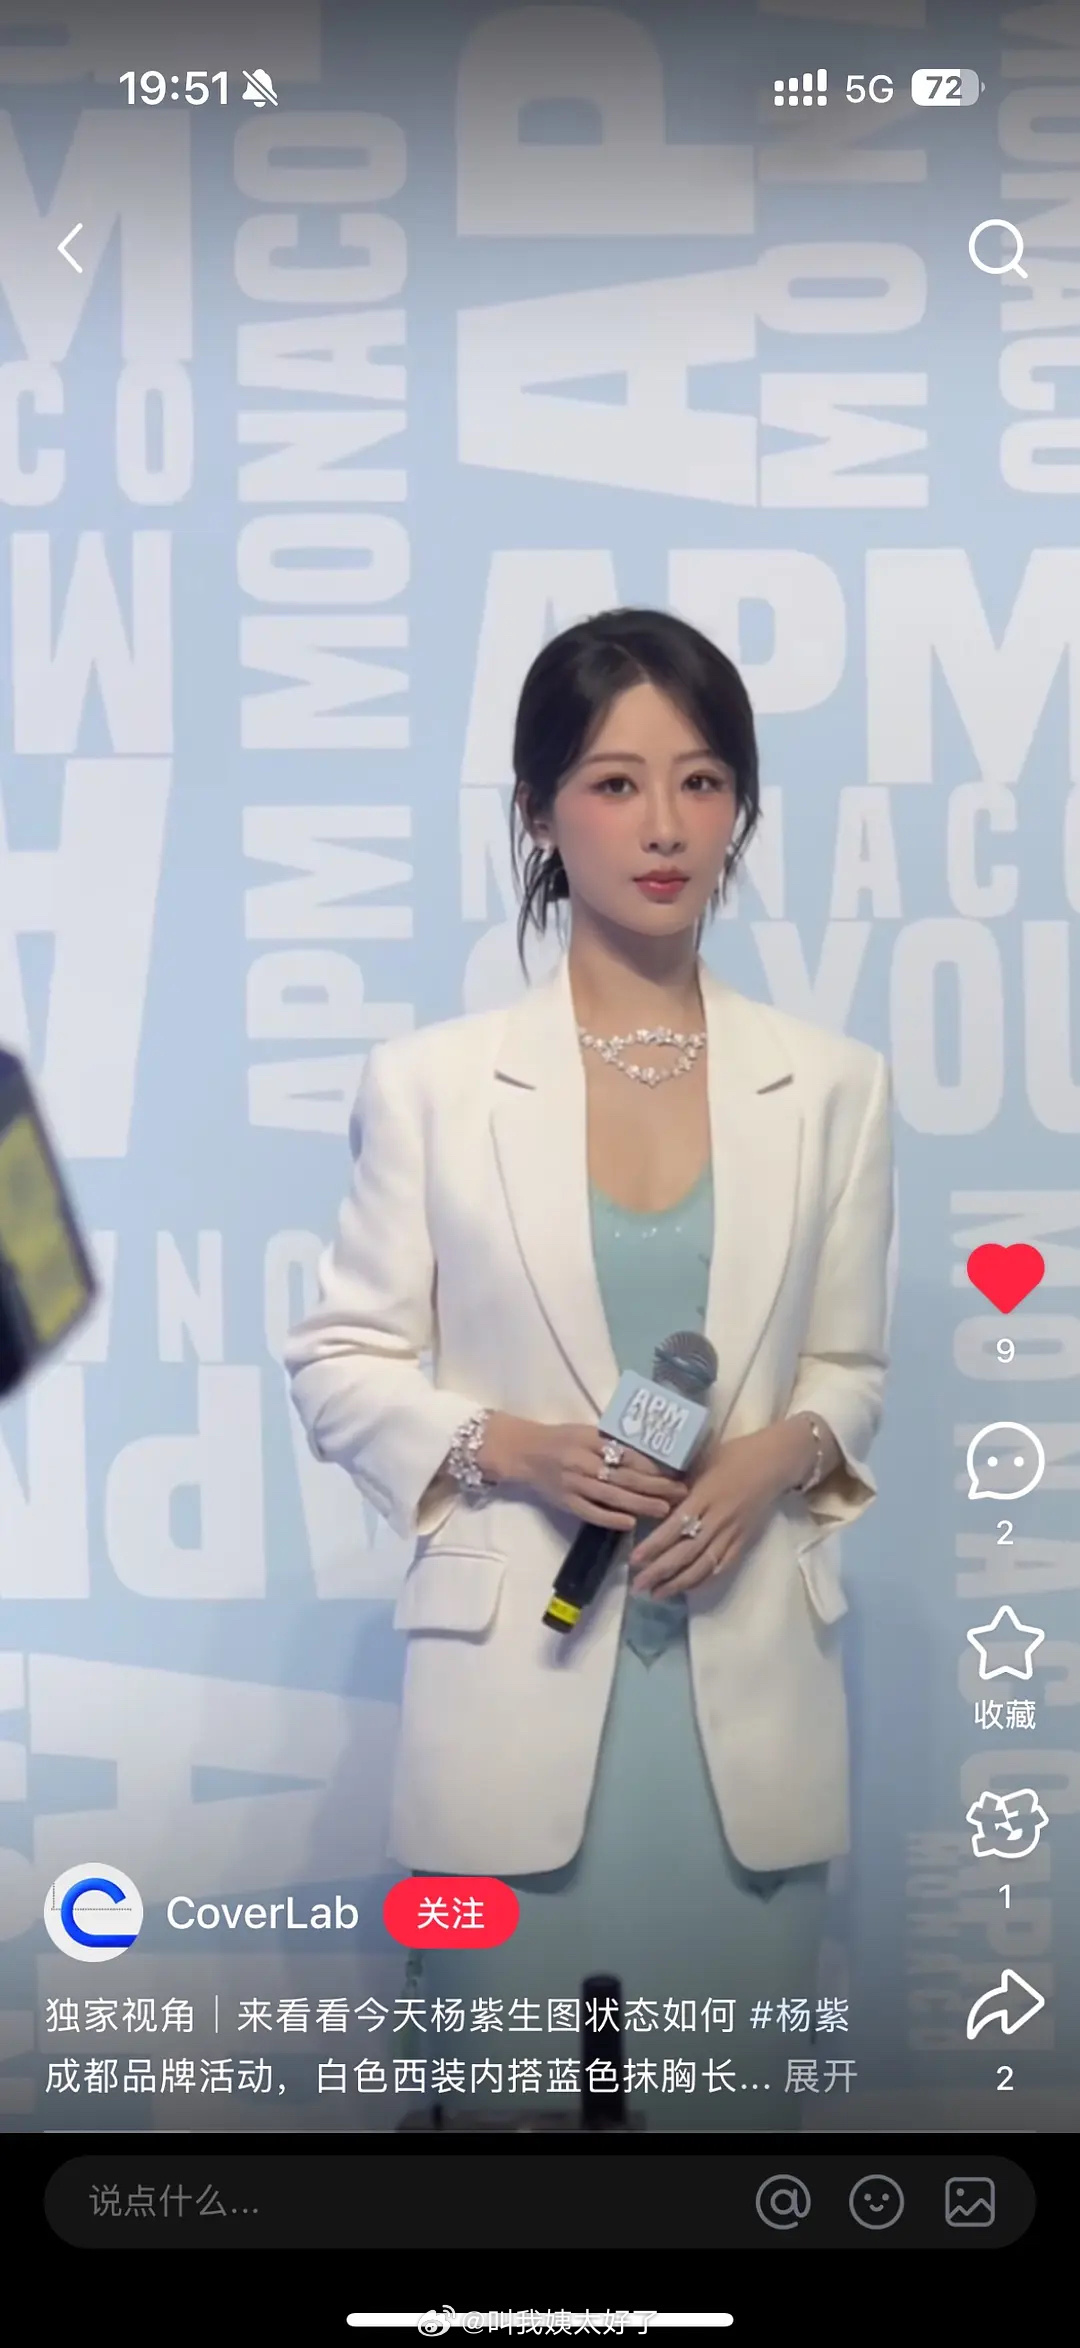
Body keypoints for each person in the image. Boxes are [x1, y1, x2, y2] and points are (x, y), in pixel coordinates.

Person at [283, 608, 894, 2131]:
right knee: (505, 2135)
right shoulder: (431, 1084)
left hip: (743, 1708)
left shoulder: (833, 1086)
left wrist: (778, 1456)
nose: (665, 825)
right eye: (616, 783)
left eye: (702, 780)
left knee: (726, 2136)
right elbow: (342, 1361)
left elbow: (848, 1365)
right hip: (514, 1691)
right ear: (540, 811)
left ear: (740, 805)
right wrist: (514, 1446)